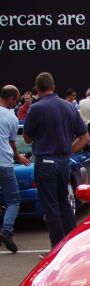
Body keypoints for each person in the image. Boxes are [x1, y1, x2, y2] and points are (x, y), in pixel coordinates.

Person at [23, 72, 89, 248]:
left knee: (51, 207)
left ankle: (58, 250)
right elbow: (84, 138)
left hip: (45, 162)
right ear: (54, 86)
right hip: (64, 161)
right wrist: (69, 150)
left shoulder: (35, 108)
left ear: (37, 88)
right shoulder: (69, 107)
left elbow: (27, 139)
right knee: (64, 203)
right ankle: (72, 246)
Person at [0, 85, 30, 252]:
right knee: (13, 200)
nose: (15, 103)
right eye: (16, 100)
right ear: (10, 99)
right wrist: (18, 157)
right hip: (4, 162)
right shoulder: (11, 118)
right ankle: (7, 230)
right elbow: (12, 143)